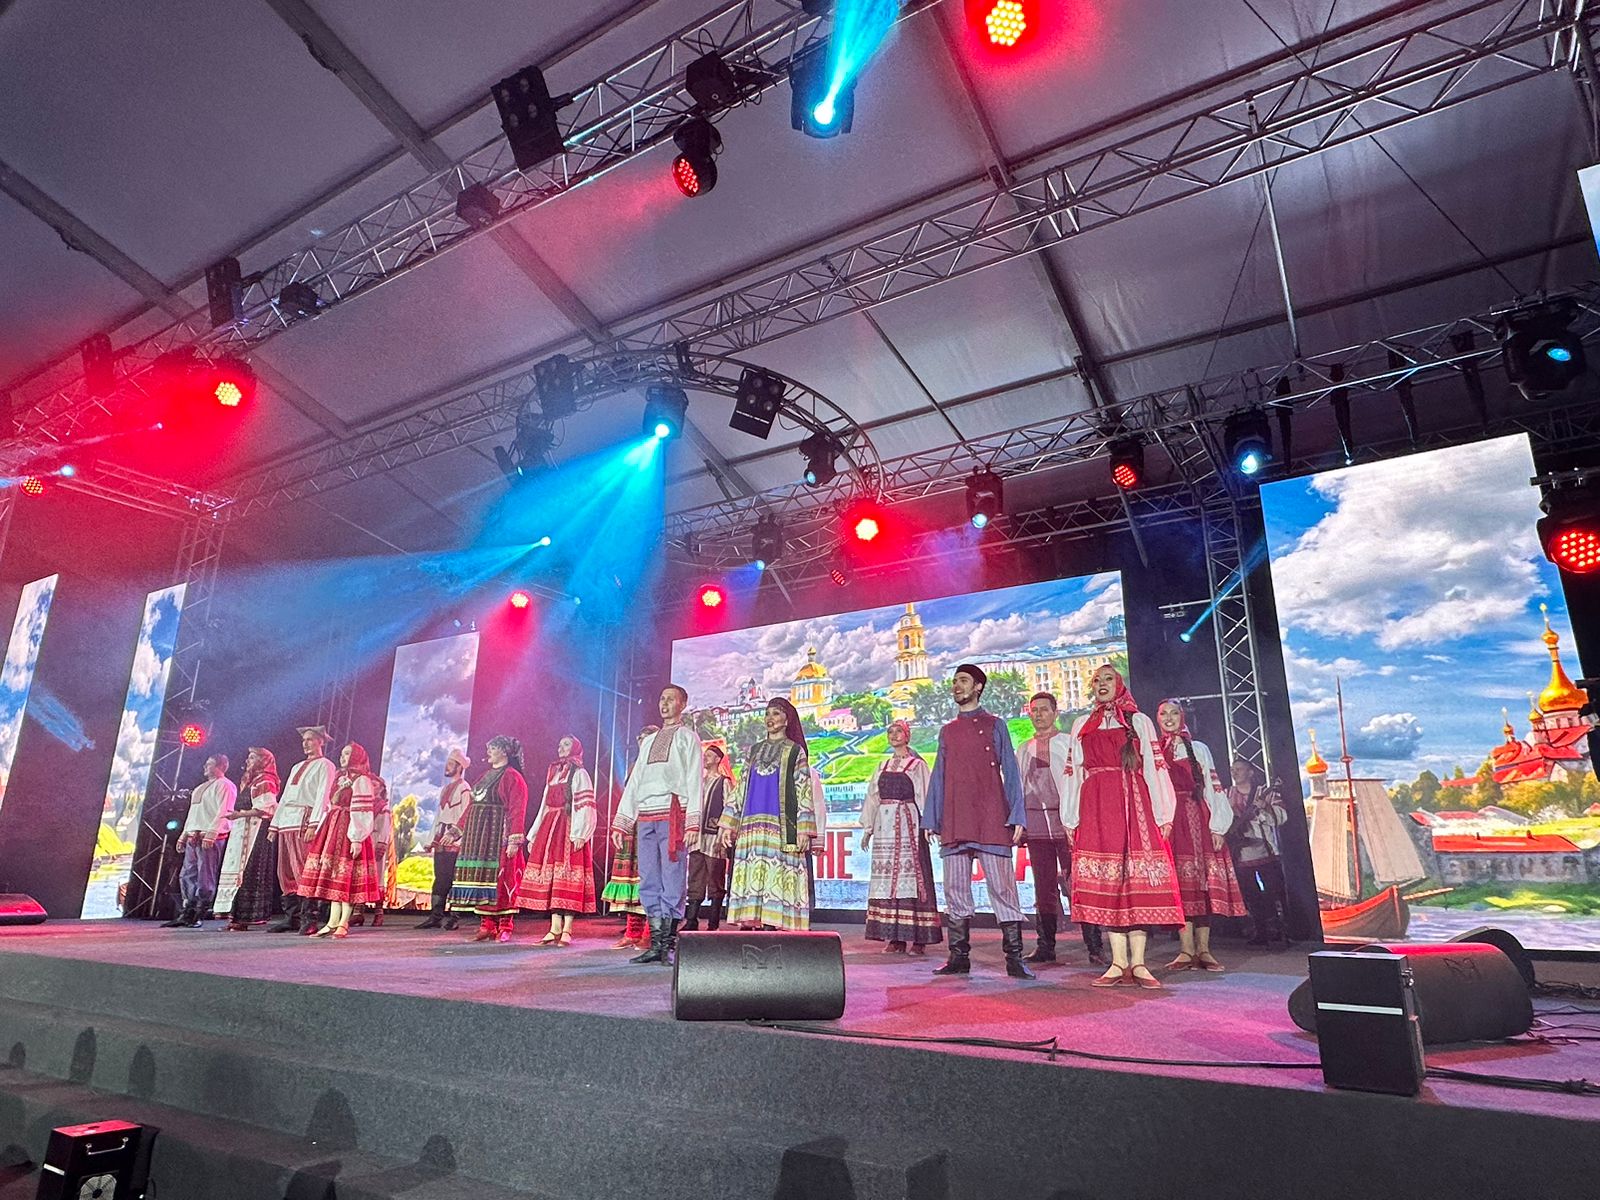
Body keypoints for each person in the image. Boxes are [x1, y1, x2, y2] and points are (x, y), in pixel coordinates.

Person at [1061, 665, 1185, 990]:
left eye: (1108, 679)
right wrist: (1070, 817)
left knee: (1135, 883)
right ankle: (1118, 962)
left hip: (1134, 804)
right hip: (1096, 806)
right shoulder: (1081, 724)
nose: (1101, 684)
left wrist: (1164, 814)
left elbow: (1156, 769)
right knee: (1110, 883)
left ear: (1119, 685)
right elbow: (1073, 773)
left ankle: (1139, 963)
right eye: (1096, 680)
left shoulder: (1139, 721)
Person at [922, 665, 1033, 980]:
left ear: (978, 687)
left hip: (990, 816)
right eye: (954, 681)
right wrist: (932, 818)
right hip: (956, 818)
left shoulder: (995, 725)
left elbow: (1010, 771)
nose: (956, 686)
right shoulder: (948, 731)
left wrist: (1017, 815)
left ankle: (1014, 959)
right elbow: (939, 775)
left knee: (1003, 888)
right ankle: (959, 957)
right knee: (955, 889)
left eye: (963, 681)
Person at [1156, 701, 1249, 971]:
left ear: (1182, 717)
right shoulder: (1154, 751)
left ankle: (1204, 949)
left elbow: (1213, 787)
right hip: (1170, 820)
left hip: (1197, 816)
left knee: (1202, 883)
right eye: (1163, 714)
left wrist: (1218, 827)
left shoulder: (1198, 749)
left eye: (1174, 713)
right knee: (1180, 887)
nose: (1169, 718)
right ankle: (1186, 950)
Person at [612, 687, 702, 964]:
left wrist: (693, 822)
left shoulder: (688, 737)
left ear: (683, 704)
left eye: (670, 699)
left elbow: (694, 779)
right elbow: (635, 781)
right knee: (649, 878)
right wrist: (622, 822)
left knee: (672, 878)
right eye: (661, 699)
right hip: (647, 816)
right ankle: (655, 944)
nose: (664, 703)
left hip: (673, 814)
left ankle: (668, 945)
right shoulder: (649, 740)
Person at [1017, 694, 1105, 966]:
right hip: (1036, 824)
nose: (1038, 715)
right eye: (1034, 710)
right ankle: (1045, 946)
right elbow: (1018, 786)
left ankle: (1094, 946)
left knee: (1077, 882)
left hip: (1068, 822)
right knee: (1043, 886)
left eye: (1044, 710)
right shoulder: (1024, 748)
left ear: (1056, 713)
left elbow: (1081, 781)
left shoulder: (1069, 742)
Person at [718, 699, 816, 932]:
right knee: (754, 872)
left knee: (777, 875)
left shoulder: (795, 751)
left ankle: (773, 926)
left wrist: (803, 829)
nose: (770, 719)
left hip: (781, 826)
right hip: (751, 825)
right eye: (767, 714)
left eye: (776, 714)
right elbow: (741, 787)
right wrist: (727, 824)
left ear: (787, 719)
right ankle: (755, 925)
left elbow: (803, 790)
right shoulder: (755, 750)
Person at [858, 719, 941, 954]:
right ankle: (895, 937)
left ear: (907, 736)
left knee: (912, 876)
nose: (894, 735)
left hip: (908, 824)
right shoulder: (882, 766)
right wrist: (867, 829)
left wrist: (929, 825)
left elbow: (925, 794)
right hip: (885, 826)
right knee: (887, 879)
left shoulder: (916, 765)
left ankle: (919, 938)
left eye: (898, 732)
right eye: (890, 732)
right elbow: (873, 797)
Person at [516, 735, 598, 946]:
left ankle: (568, 928)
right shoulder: (553, 773)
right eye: (560, 744)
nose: (561, 748)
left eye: (566, 744)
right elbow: (544, 806)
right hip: (550, 828)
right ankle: (554, 928)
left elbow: (585, 805)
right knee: (553, 878)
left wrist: (580, 833)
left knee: (567, 876)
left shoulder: (579, 773)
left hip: (569, 826)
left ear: (576, 748)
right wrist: (534, 834)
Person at [449, 735, 530, 943]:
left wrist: (514, 839)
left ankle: (505, 925)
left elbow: (517, 809)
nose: (489, 752)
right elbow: (471, 806)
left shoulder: (513, 777)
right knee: (483, 879)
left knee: (502, 879)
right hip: (479, 838)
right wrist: (456, 831)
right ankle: (486, 925)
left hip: (498, 836)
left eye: (493, 748)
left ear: (504, 751)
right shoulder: (484, 776)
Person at [297, 743, 381, 938]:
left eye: (348, 754)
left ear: (357, 757)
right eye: (342, 753)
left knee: (346, 876)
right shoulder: (340, 777)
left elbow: (362, 811)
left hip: (349, 829)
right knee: (335, 877)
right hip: (334, 827)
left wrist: (357, 838)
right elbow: (329, 805)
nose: (343, 757)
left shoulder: (362, 780)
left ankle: (344, 922)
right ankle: (332, 921)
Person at [265, 726, 337, 933]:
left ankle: (309, 918)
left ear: (320, 741)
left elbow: (322, 795)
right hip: (287, 820)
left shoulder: (325, 764)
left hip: (304, 820)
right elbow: (285, 796)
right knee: (286, 871)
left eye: (310, 739)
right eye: (304, 740)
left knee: (305, 869)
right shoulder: (297, 766)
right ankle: (292, 917)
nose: (305, 743)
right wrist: (275, 825)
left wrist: (315, 823)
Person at [162, 754, 237, 929]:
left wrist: (212, 833)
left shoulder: (225, 785)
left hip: (208, 836)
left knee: (205, 876)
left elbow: (224, 811)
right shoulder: (200, 788)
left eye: (209, 764)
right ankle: (187, 911)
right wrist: (184, 835)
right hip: (193, 836)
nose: (205, 766)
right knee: (187, 874)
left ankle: (199, 913)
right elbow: (193, 814)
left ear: (221, 766)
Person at [602, 726, 657, 950]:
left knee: (651, 878)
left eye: (647, 739)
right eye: (640, 739)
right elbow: (628, 797)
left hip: (654, 822)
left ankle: (650, 932)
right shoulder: (635, 765)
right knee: (631, 878)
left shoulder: (661, 764)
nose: (642, 742)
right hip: (634, 826)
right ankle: (632, 931)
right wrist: (621, 824)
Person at [1226, 756, 1290, 947]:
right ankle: (1260, 931)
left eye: (1239, 769)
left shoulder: (1265, 793)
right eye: (1233, 769)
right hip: (1240, 853)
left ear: (1250, 772)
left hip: (1265, 851)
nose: (1234, 773)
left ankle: (1281, 930)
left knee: (1273, 892)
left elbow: (1281, 818)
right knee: (1250, 895)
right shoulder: (1227, 794)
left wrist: (1265, 808)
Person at [219, 748, 280, 931]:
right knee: (237, 869)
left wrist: (239, 814)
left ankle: (245, 917)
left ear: (263, 761)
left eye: (252, 757)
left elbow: (266, 809)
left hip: (256, 829)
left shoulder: (265, 780)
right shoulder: (251, 780)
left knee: (249, 871)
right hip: (242, 828)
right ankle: (234, 915)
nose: (248, 761)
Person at [415, 748, 471, 930]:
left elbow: (466, 813)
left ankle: (454, 917)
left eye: (451, 764)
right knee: (440, 878)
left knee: (455, 878)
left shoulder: (464, 788)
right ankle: (435, 916)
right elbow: (439, 816)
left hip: (455, 839)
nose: (447, 767)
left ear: (459, 767)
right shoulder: (445, 789)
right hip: (441, 838)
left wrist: (456, 834)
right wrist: (430, 839)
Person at [682, 742, 732, 932]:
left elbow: (729, 807)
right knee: (695, 876)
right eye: (705, 755)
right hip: (697, 836)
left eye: (709, 755)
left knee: (715, 878)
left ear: (718, 759)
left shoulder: (724, 782)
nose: (705, 758)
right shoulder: (698, 782)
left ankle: (713, 923)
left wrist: (724, 832)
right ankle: (691, 920)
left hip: (714, 838)